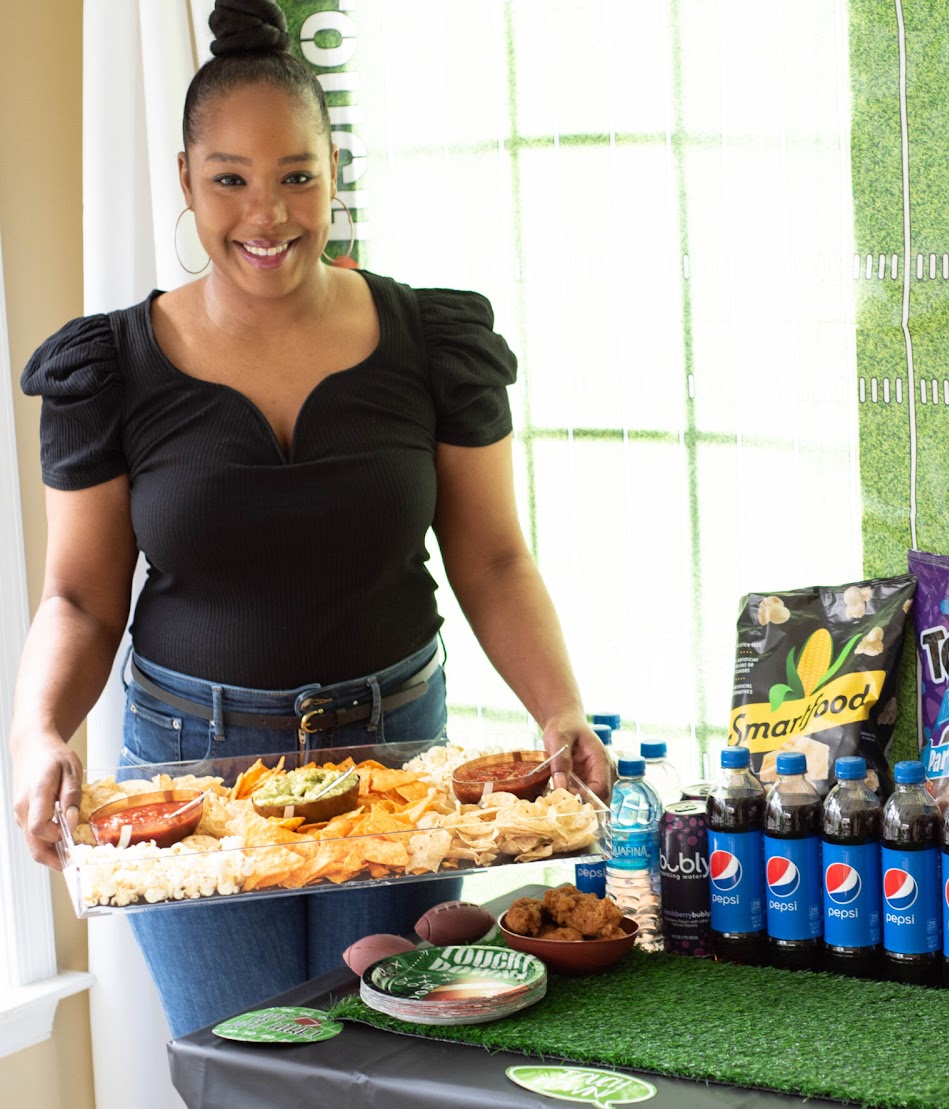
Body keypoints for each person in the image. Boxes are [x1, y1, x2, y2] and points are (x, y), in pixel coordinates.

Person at [6, 0, 610, 1037]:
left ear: (334, 170)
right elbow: (77, 594)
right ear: (186, 180)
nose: (267, 215)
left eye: (296, 175)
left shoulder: (435, 340)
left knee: (391, 1056)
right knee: (249, 1068)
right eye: (229, 179)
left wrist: (560, 711)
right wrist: (38, 731)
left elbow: (495, 559)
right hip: (189, 780)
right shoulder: (107, 368)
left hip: (396, 754)